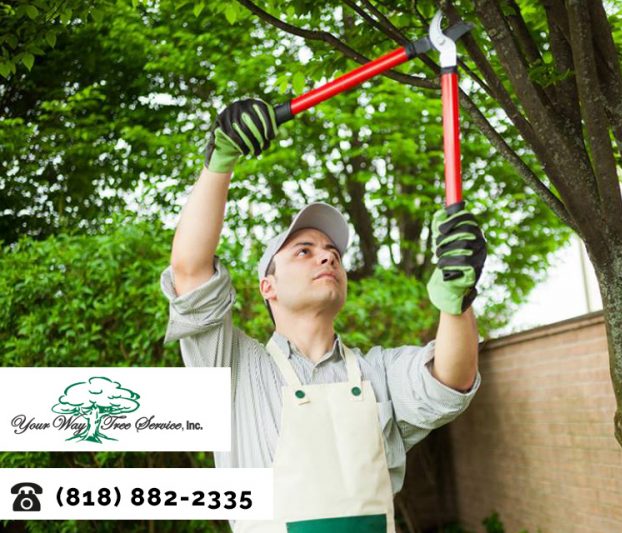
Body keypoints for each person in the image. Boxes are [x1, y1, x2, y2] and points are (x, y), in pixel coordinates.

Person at [160, 99, 488, 532]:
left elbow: (451, 379)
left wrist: (456, 301)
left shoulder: (378, 373)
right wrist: (221, 158)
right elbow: (190, 271)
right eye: (305, 251)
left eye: (333, 253)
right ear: (268, 286)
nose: (327, 258)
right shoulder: (234, 369)